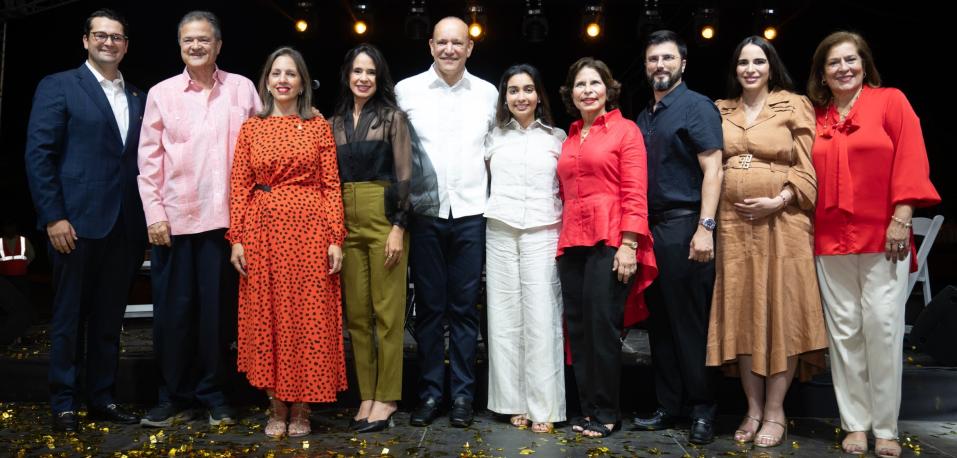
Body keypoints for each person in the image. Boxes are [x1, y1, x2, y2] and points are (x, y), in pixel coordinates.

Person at [807, 31, 940, 458]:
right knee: (844, 334)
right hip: (829, 237)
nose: (844, 68)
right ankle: (855, 425)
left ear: (864, 64)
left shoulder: (891, 101)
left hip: (885, 235)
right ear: (822, 73)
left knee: (881, 329)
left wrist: (902, 217)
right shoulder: (816, 115)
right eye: (834, 63)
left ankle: (885, 427)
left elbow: (911, 157)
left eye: (851, 60)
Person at [136, 10, 261, 428]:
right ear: (179, 46)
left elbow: (264, 144)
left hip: (226, 223)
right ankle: (173, 396)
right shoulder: (162, 93)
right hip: (173, 222)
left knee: (216, 317)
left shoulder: (242, 90)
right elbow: (148, 161)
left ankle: (214, 395)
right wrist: (154, 214)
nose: (196, 47)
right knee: (173, 317)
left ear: (219, 45)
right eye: (188, 40)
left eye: (204, 40)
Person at [24, 8, 146, 432]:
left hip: (124, 227)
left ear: (126, 45)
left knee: (109, 321)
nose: (108, 42)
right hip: (73, 226)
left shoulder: (137, 95)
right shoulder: (59, 86)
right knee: (68, 319)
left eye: (116, 37)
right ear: (85, 40)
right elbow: (39, 155)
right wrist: (53, 216)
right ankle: (63, 403)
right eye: (100, 35)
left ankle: (101, 399)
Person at [705, 35, 827, 448]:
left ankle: (776, 412)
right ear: (735, 69)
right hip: (734, 225)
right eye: (743, 62)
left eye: (758, 61)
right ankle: (752, 409)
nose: (750, 69)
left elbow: (808, 165)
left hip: (785, 222)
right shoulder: (720, 109)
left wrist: (780, 199)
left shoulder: (793, 104)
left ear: (771, 66)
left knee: (782, 312)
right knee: (740, 310)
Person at [228, 47, 346, 438]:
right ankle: (275, 404)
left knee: (307, 317)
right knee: (269, 317)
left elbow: (331, 186)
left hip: (310, 231)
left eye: (290, 74)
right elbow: (240, 186)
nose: (282, 80)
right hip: (263, 231)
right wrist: (238, 239)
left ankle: (303, 406)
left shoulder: (317, 125)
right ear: (266, 80)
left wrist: (335, 238)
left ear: (301, 82)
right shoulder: (252, 127)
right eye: (276, 73)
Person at [395, 16, 497, 428]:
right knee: (430, 311)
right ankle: (431, 393)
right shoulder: (407, 90)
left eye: (458, 43)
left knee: (465, 310)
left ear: (470, 48)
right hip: (425, 214)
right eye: (442, 42)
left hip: (473, 212)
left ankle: (462, 396)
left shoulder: (489, 94)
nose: (449, 49)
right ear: (431, 46)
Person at [632, 30, 724, 445]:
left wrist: (705, 227)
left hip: (685, 226)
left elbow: (714, 170)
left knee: (691, 324)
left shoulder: (697, 106)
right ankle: (669, 407)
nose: (660, 66)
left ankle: (703, 410)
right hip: (650, 230)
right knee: (661, 325)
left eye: (667, 58)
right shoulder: (645, 114)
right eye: (653, 59)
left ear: (683, 63)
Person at [556, 57, 656, 438]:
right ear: (571, 93)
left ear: (608, 88)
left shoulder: (625, 131)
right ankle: (588, 409)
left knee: (602, 328)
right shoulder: (568, 137)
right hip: (572, 242)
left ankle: (608, 413)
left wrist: (629, 245)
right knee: (578, 330)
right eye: (580, 85)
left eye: (594, 83)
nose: (587, 90)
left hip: (611, 240)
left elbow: (635, 190)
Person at [330, 43, 415, 433]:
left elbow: (405, 177)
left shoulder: (393, 118)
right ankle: (367, 394)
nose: (363, 78)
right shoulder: (334, 123)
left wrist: (399, 226)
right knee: (358, 317)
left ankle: (388, 397)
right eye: (357, 71)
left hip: (384, 220)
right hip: (346, 222)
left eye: (370, 72)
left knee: (388, 313)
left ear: (379, 78)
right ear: (348, 75)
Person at [484, 64, 567, 434]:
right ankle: (513, 403)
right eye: (513, 90)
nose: (521, 96)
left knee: (541, 318)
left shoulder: (557, 137)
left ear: (538, 95)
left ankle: (543, 406)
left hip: (543, 230)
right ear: (505, 97)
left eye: (528, 89)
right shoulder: (492, 137)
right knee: (503, 320)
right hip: (500, 229)